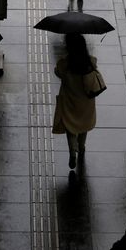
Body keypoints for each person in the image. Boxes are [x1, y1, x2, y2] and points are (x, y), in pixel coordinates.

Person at [52, 33, 97, 169]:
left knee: (71, 128)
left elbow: (57, 71)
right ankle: (81, 147)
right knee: (83, 125)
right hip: (86, 103)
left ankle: (73, 151)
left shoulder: (64, 64)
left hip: (70, 101)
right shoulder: (91, 62)